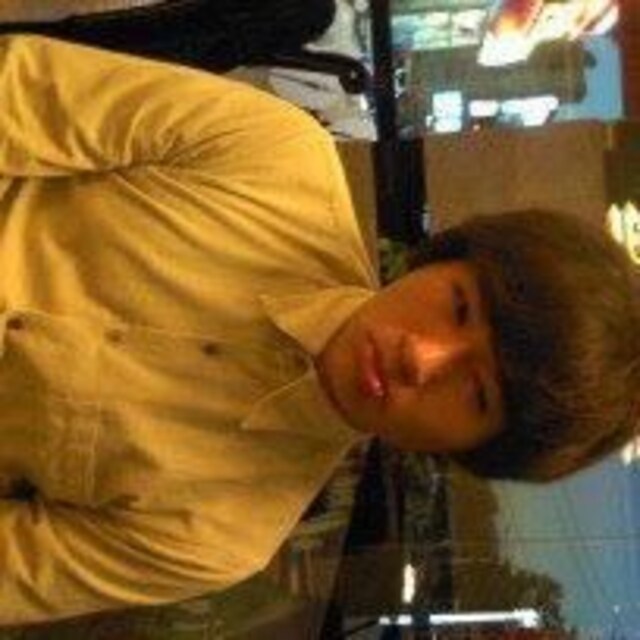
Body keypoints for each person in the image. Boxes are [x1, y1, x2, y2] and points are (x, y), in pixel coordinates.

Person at [0, 34, 639, 626]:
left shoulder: (222, 534)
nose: (421, 358)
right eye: (458, 306)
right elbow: (18, 92)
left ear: (463, 450)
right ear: (445, 259)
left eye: (476, 394)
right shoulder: (274, 156)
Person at [0, 0, 337, 72]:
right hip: (160, 62)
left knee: (58, 35)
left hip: (148, 29)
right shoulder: (251, 45)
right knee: (59, 50)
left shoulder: (232, 16)